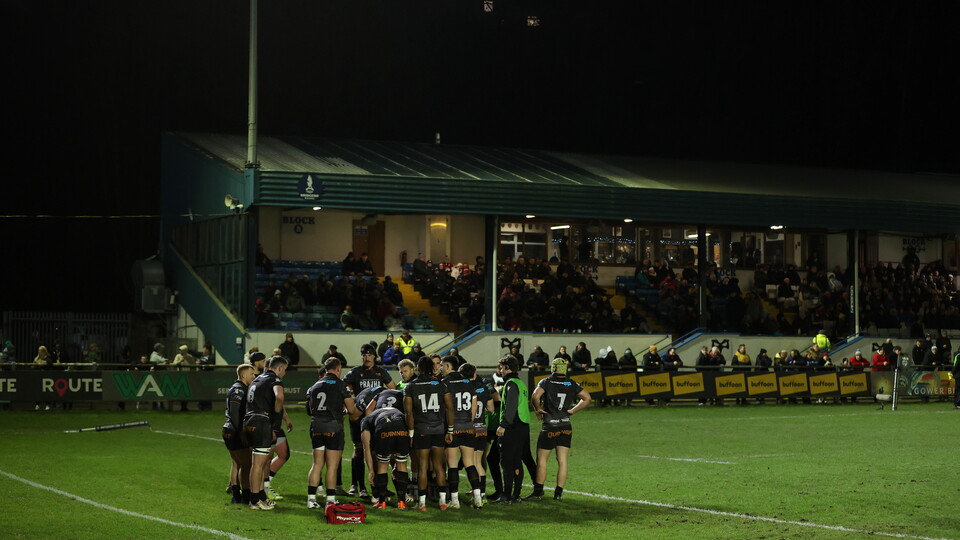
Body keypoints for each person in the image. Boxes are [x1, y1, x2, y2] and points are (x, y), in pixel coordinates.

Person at [527, 357, 591, 502]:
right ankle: (558, 493)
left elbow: (535, 396)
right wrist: (572, 411)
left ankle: (538, 492)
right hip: (565, 425)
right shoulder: (571, 383)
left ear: (553, 367)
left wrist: (537, 409)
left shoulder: (546, 381)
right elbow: (587, 398)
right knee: (562, 460)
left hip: (550, 425)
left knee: (542, 460)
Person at [306, 357, 361, 508]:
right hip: (333, 428)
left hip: (316, 427)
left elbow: (309, 409)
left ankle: (311, 500)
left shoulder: (314, 386)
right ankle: (330, 499)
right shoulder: (340, 385)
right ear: (338, 369)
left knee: (316, 464)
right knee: (332, 466)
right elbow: (351, 410)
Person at [343, 344, 397, 499]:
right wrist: (349, 403)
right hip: (358, 417)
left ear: (374, 356)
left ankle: (378, 486)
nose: (366, 357)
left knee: (375, 451)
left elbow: (392, 389)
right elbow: (343, 386)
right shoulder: (356, 372)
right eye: (363, 355)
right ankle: (357, 485)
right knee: (359, 449)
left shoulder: (381, 372)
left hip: (376, 418)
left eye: (368, 355)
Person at [404, 356, 455, 511]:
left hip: (421, 430)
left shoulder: (411, 386)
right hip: (438, 429)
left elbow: (408, 413)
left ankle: (422, 504)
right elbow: (449, 408)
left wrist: (411, 434)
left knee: (423, 467)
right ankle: (443, 502)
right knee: (439, 466)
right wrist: (450, 430)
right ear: (432, 368)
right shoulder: (440, 384)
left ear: (418, 368)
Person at [243, 355, 289, 510]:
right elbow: (279, 397)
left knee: (259, 463)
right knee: (259, 464)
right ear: (280, 368)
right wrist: (275, 422)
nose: (284, 373)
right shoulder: (274, 380)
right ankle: (254, 500)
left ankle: (261, 496)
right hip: (261, 422)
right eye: (285, 370)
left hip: (249, 420)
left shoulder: (257, 379)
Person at [440, 357, 484, 509]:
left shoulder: (444, 383)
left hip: (453, 428)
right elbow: (474, 407)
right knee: (470, 463)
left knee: (452, 465)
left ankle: (454, 500)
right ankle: (478, 499)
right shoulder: (468, 383)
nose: (440, 369)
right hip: (467, 426)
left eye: (441, 366)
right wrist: (469, 424)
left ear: (447, 366)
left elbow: (444, 409)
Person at [360, 403, 410, 509]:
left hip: (384, 430)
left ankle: (382, 502)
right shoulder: (397, 410)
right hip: (403, 429)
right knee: (401, 465)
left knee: (383, 466)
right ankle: (401, 502)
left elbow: (366, 448)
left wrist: (371, 471)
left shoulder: (366, 419)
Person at [495, 354, 529, 505]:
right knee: (516, 462)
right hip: (522, 427)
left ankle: (506, 496)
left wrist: (504, 425)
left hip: (512, 427)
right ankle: (516, 494)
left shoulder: (511, 384)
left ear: (507, 368)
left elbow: (510, 407)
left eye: (501, 368)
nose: (500, 371)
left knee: (507, 462)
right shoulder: (520, 383)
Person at [223, 364, 256, 505]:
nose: (254, 377)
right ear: (244, 376)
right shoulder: (239, 390)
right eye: (252, 374)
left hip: (229, 429)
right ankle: (245, 495)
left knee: (236, 463)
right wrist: (241, 431)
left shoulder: (239, 388)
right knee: (247, 464)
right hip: (234, 431)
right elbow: (234, 413)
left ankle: (236, 495)